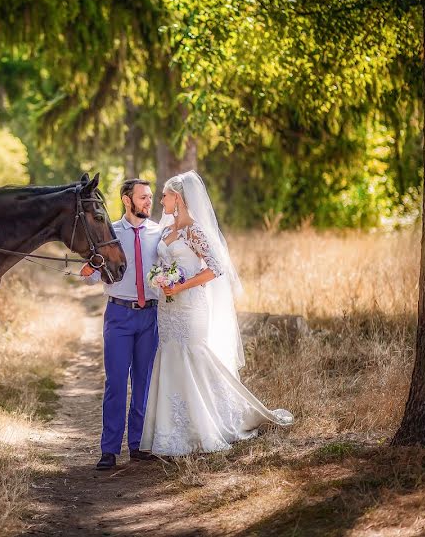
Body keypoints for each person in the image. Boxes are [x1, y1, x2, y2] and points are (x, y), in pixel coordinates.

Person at [139, 171, 293, 456]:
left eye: (165, 195)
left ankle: (209, 424)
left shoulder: (194, 231)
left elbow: (215, 268)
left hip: (190, 306)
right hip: (167, 308)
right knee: (170, 355)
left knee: (193, 356)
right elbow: (159, 261)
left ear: (179, 198)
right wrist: (160, 279)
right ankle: (172, 430)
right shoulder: (166, 230)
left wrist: (181, 285)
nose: (161, 200)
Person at [81, 179, 163, 470]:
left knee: (143, 382)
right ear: (127, 200)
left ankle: (138, 444)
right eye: (143, 198)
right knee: (116, 383)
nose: (148, 203)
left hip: (150, 316)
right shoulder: (111, 232)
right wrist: (90, 267)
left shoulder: (160, 233)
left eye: (150, 197)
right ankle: (109, 450)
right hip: (119, 315)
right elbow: (91, 277)